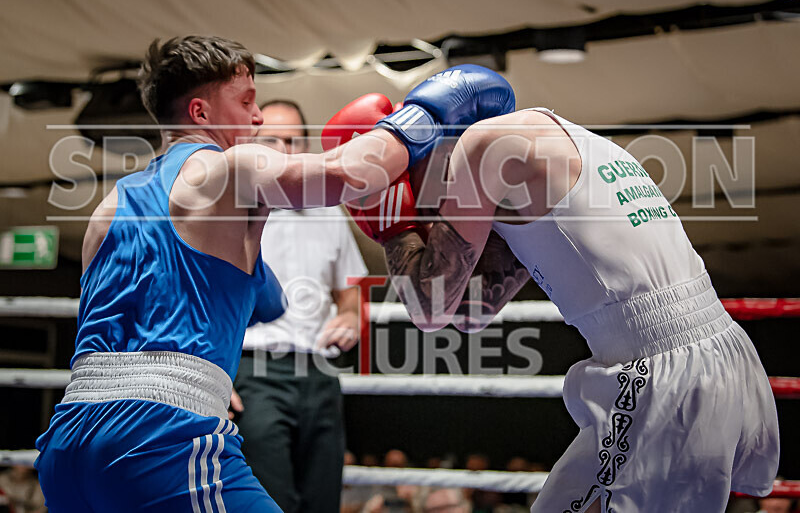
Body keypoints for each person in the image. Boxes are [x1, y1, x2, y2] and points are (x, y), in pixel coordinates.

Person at [329, 65, 780, 512]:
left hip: (665, 379)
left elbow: (429, 310)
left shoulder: (479, 149)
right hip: (704, 357)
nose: (430, 210)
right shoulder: (552, 148)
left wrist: (389, 219)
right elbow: (467, 312)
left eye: (406, 178)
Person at [31, 35, 417, 512]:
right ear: (201, 113)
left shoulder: (107, 209)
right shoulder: (232, 166)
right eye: (247, 101)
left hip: (68, 444)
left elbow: (253, 299)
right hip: (160, 439)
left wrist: (252, 270)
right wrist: (421, 117)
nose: (257, 118)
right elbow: (350, 173)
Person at [231, 99, 367, 513]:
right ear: (254, 142)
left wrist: (348, 316)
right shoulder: (230, 210)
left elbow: (352, 292)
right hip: (254, 373)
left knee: (322, 502)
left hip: (320, 373)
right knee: (272, 503)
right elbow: (199, 301)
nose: (284, 150)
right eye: (272, 139)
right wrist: (216, 376)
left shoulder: (330, 212)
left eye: (293, 140)